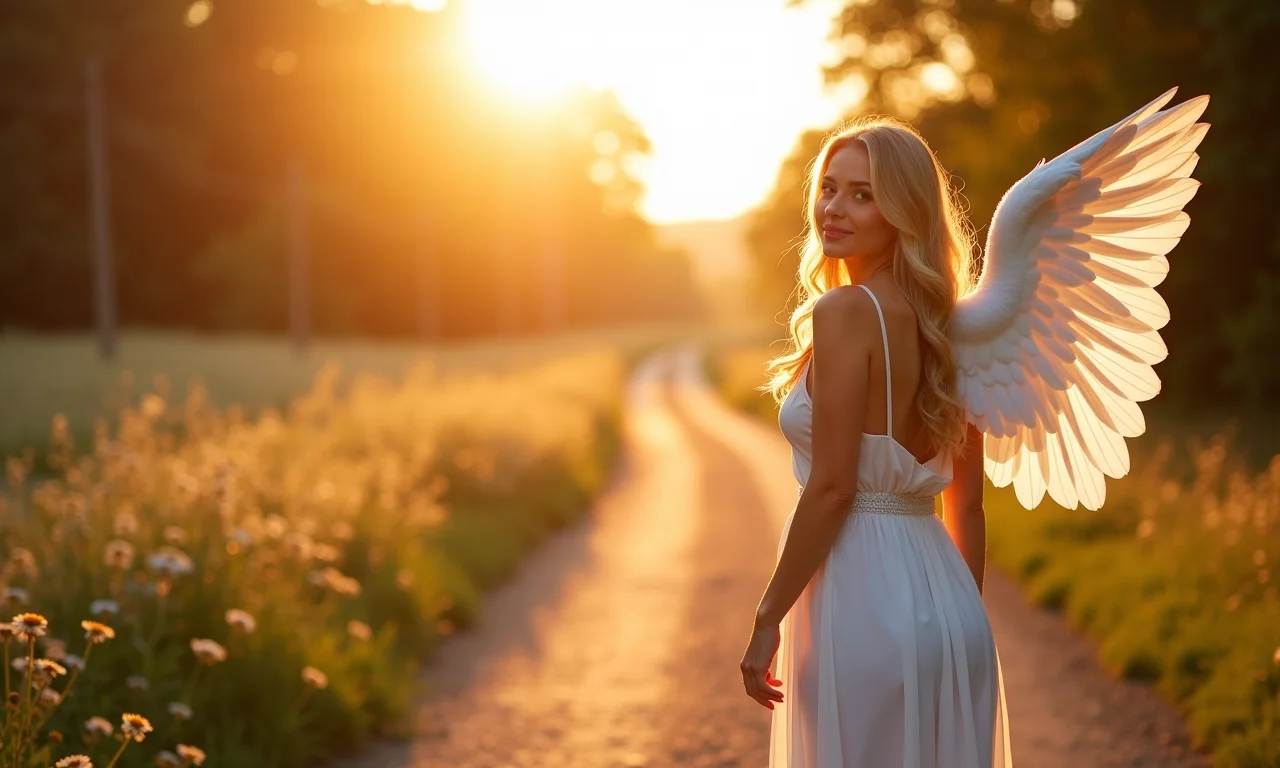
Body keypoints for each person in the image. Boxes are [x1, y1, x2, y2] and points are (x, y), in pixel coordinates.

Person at [738, 87, 1209, 768]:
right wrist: (955, 625)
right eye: (830, 189)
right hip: (949, 604)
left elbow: (835, 488)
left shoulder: (844, 312)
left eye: (862, 195)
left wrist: (765, 620)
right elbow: (966, 503)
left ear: (903, 212)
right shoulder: (950, 326)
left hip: (860, 598)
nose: (835, 208)